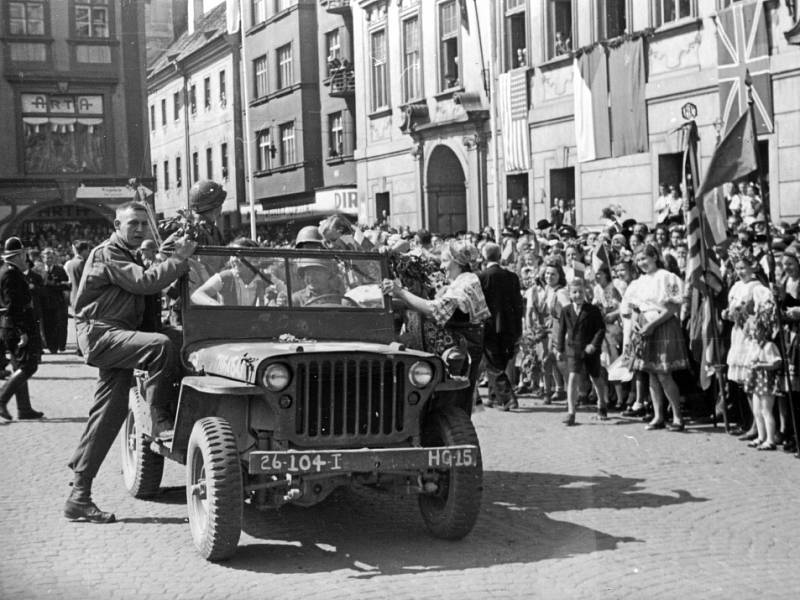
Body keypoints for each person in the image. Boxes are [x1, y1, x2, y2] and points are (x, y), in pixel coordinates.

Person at [65, 201, 197, 524]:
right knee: (161, 346)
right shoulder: (107, 253)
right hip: (102, 335)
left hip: (119, 334)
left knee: (107, 415)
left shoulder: (130, 254)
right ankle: (156, 419)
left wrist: (165, 257)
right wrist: (179, 259)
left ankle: (78, 495)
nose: (139, 229)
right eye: (132, 224)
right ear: (116, 226)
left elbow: (146, 285)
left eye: (142, 224)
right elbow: (144, 283)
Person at [382, 239, 490, 407]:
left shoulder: (466, 283)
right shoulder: (464, 279)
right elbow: (408, 246)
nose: (442, 266)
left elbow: (434, 310)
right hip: (468, 342)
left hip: (464, 346)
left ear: (457, 262)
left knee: (456, 404)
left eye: (445, 261)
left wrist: (400, 292)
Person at [620, 244, 689, 431]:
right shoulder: (638, 282)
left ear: (654, 257)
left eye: (645, 258)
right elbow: (634, 308)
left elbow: (673, 308)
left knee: (664, 373)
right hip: (643, 325)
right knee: (651, 373)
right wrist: (636, 322)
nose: (642, 263)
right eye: (639, 260)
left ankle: (677, 416)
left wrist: (652, 325)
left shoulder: (666, 277)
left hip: (662, 324)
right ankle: (658, 416)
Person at [0, 238, 44, 421]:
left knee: (19, 365)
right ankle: (2, 398)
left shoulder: (7, 271)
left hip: (9, 325)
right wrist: (22, 332)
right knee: (28, 365)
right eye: (24, 254)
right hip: (17, 325)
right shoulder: (11, 274)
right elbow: (14, 305)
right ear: (17, 255)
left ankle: (24, 408)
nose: (26, 257)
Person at [556, 279, 609, 425]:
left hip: (590, 350)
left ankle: (602, 403)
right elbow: (562, 331)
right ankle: (571, 413)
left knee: (596, 378)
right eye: (574, 292)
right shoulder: (566, 310)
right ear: (569, 293)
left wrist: (593, 345)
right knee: (573, 377)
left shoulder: (592, 310)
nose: (578, 294)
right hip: (573, 348)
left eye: (580, 291)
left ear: (585, 292)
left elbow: (600, 329)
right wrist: (560, 349)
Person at [478, 243, 523, 410]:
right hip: (509, 325)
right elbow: (518, 305)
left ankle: (507, 397)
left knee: (493, 364)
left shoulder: (481, 277)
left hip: (489, 326)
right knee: (500, 361)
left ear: (484, 257)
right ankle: (494, 396)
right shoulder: (512, 277)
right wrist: (518, 327)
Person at [39, 247, 70, 353]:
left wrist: (54, 285)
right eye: (47, 258)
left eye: (51, 258)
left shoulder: (60, 270)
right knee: (47, 325)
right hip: (44, 303)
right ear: (43, 258)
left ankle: (56, 346)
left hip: (57, 302)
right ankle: (49, 345)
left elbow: (66, 285)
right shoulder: (39, 270)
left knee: (58, 324)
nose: (49, 260)